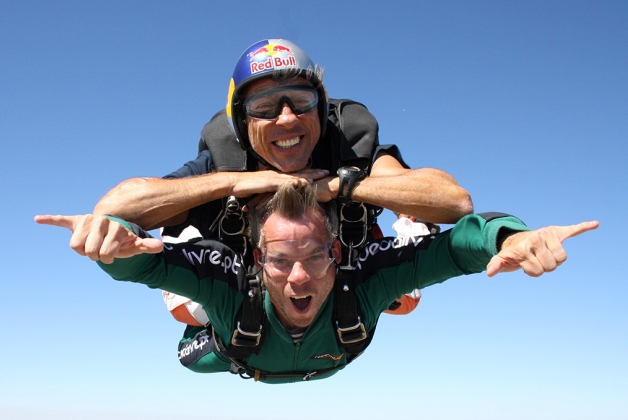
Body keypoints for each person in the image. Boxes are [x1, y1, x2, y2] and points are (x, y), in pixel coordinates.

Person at [35, 183, 599, 384]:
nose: (300, 275)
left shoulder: (360, 280)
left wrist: (506, 238)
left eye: (315, 255)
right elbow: (142, 263)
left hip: (333, 334)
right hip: (233, 351)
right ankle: (190, 266)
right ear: (256, 259)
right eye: (281, 259)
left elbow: (456, 245)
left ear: (336, 250)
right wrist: (114, 245)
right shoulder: (230, 280)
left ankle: (403, 231)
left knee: (409, 277)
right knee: (185, 339)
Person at [82, 39, 474, 319]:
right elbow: (111, 209)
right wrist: (234, 183)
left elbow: (454, 202)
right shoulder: (224, 159)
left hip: (337, 263)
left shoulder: (348, 144)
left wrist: (338, 187)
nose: (287, 118)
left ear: (320, 110)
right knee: (191, 315)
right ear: (242, 122)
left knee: (405, 300)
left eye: (301, 101)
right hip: (252, 275)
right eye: (264, 107)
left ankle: (410, 232)